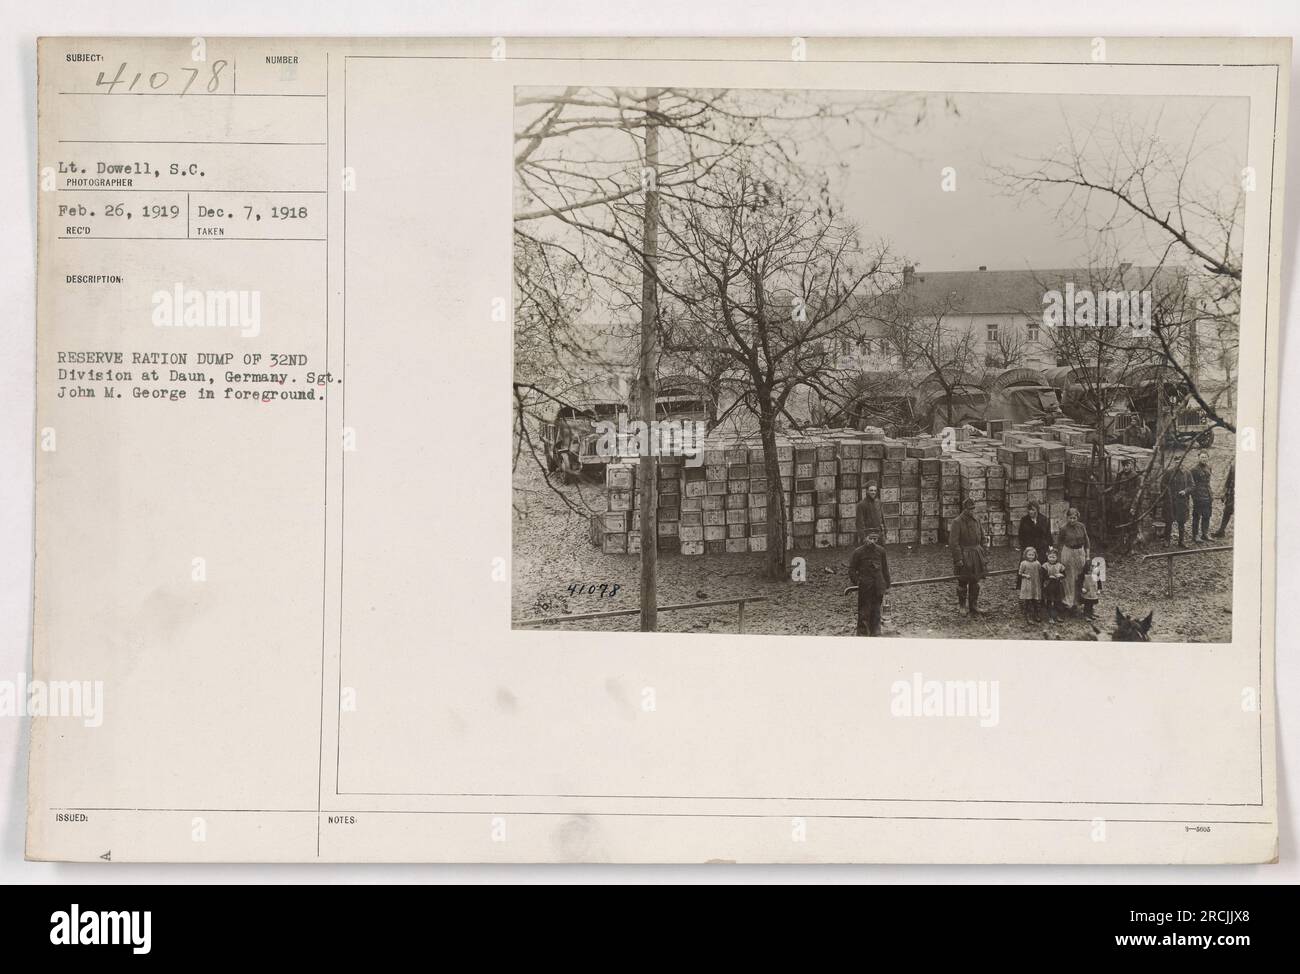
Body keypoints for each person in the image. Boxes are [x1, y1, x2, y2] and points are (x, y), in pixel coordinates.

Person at [949, 498, 988, 616]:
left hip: (976, 554)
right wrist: (958, 559)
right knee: (962, 581)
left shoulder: (977, 520)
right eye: (969, 509)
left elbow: (982, 536)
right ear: (964, 509)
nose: (972, 511)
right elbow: (953, 542)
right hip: (964, 555)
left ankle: (973, 606)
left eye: (973, 509)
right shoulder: (957, 522)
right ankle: (962, 606)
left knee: (975, 581)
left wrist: (984, 551)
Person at [848, 528, 891, 636]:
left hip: (878, 586)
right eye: (871, 538)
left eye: (875, 539)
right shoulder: (858, 552)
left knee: (876, 611)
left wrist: (887, 584)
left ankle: (875, 633)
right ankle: (862, 635)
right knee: (864, 612)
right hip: (865, 587)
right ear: (865, 538)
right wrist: (857, 582)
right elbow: (851, 570)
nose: (873, 541)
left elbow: (885, 569)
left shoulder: (881, 551)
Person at [1055, 507, 1091, 613]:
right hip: (1068, 552)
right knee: (1069, 577)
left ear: (1077, 517)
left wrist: (1087, 556)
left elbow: (1087, 542)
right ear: (1067, 518)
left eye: (1074, 518)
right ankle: (1069, 602)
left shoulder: (1082, 527)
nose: (1072, 520)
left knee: (1079, 577)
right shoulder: (1063, 528)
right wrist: (1059, 557)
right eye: (1070, 518)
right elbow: (1059, 543)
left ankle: (1078, 601)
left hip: (1079, 552)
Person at [1190, 450, 1214, 542]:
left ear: (1208, 458)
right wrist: (1194, 496)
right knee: (1196, 516)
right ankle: (1195, 535)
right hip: (1198, 496)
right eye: (1202, 457)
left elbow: (1208, 481)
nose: (1204, 459)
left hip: (1207, 495)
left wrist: (1210, 494)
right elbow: (1192, 484)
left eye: (1205, 457)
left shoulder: (1209, 467)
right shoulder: (1194, 470)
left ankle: (1205, 533)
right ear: (1198, 458)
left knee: (1207, 515)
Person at [1165, 465, 1191, 547]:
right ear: (1174, 462)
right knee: (1168, 521)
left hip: (1182, 501)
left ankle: (1181, 541)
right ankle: (1167, 540)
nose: (1178, 463)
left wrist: (1185, 491)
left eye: (1180, 460)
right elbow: (1163, 484)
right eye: (1176, 461)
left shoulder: (1187, 473)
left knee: (1181, 521)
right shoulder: (1169, 472)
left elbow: (1192, 486)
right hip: (1171, 501)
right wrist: (1169, 494)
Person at [1016, 546, 1042, 624]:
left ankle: (1036, 614)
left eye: (1032, 555)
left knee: (1035, 599)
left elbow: (1040, 572)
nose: (1031, 556)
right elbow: (1020, 573)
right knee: (1028, 599)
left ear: (1035, 555)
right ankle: (1028, 615)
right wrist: (1026, 575)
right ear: (1025, 555)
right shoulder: (1023, 563)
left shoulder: (1037, 563)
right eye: (1029, 555)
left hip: (1035, 583)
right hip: (1027, 583)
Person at [1041, 548, 1066, 624]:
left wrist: (1061, 575)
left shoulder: (1060, 565)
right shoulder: (1045, 565)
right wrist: (1049, 577)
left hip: (1057, 585)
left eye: (1054, 557)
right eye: (1050, 557)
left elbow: (1065, 574)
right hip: (1049, 585)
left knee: (1058, 601)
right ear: (1047, 556)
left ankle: (1057, 615)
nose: (1052, 559)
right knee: (1049, 601)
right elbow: (1042, 575)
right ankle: (1050, 617)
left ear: (1057, 557)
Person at [1213, 460, 1235, 539]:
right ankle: (1221, 531)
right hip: (1233, 493)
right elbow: (1228, 480)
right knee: (1227, 511)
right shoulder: (1233, 465)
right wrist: (1224, 493)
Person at [1080, 555, 1105, 620]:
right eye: (1092, 566)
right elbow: (1079, 582)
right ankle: (1086, 615)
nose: (1093, 568)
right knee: (1087, 604)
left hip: (1093, 591)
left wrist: (1099, 589)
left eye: (1095, 567)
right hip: (1087, 592)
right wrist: (1081, 588)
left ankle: (1090, 614)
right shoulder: (1084, 575)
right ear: (1088, 567)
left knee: (1091, 603)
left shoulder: (1096, 575)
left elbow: (1099, 582)